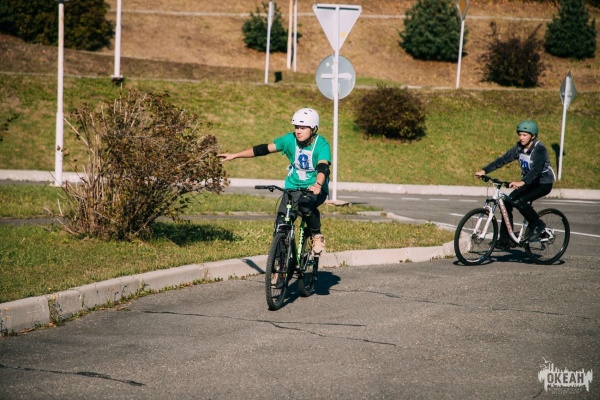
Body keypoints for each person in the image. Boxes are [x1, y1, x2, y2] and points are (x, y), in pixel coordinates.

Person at [218, 107, 332, 256]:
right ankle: (280, 263)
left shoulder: (321, 144)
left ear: (313, 128)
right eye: (296, 127)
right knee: (281, 223)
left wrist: (318, 184)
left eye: (303, 128)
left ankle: (316, 236)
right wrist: (235, 155)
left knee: (305, 206)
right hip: (293, 187)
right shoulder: (289, 140)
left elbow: (323, 167)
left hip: (315, 188)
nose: (298, 131)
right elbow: (263, 149)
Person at [474, 120, 556, 251]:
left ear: (533, 136)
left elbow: (536, 170)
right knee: (507, 202)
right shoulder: (519, 147)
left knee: (520, 201)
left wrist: (522, 182)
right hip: (529, 182)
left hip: (543, 183)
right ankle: (505, 241)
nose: (521, 137)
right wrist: (484, 170)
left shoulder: (539, 149)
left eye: (524, 135)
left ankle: (537, 225)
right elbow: (503, 159)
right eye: (520, 134)